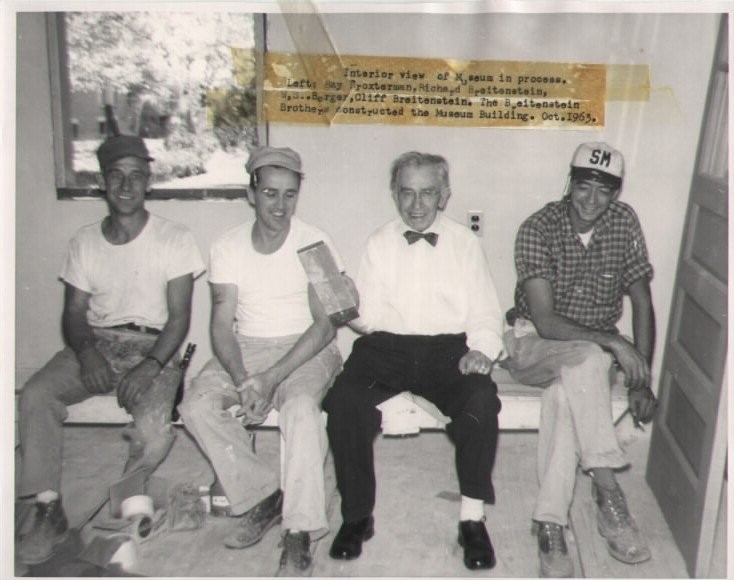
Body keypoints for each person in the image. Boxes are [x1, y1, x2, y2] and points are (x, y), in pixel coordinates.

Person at [16, 134, 205, 565]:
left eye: (136, 177)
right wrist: (86, 353)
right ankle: (47, 508)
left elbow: (178, 319)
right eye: (116, 176)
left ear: (148, 183)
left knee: (156, 429)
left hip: (154, 345)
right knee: (36, 395)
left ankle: (126, 501)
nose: (125, 186)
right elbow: (74, 314)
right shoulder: (84, 242)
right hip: (98, 341)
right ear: (102, 182)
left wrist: (152, 365)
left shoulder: (174, 238)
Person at [322, 151, 504, 571]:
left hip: (448, 351)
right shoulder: (378, 242)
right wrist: (345, 302)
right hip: (386, 348)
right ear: (394, 193)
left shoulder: (464, 243)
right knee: (344, 401)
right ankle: (356, 516)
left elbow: (485, 312)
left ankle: (472, 520)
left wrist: (482, 349)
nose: (417, 205)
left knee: (480, 401)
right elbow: (366, 321)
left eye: (427, 194)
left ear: (444, 195)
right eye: (407, 193)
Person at [180, 146, 348, 576]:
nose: (280, 206)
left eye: (289, 195)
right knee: (196, 405)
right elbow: (221, 325)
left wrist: (271, 378)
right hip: (247, 346)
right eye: (270, 193)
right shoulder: (227, 245)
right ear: (251, 192)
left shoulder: (315, 242)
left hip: (306, 347)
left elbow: (327, 325)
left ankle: (300, 531)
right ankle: (265, 495)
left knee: (301, 410)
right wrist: (243, 379)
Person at [503, 142, 658, 577]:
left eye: (604, 191)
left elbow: (643, 303)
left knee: (564, 398)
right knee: (589, 355)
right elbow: (547, 322)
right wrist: (613, 343)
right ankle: (608, 491)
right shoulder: (538, 227)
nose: (592, 199)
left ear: (616, 194)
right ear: (570, 183)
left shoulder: (623, 222)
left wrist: (641, 379)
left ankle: (549, 524)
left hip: (587, 360)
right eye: (584, 186)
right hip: (533, 343)